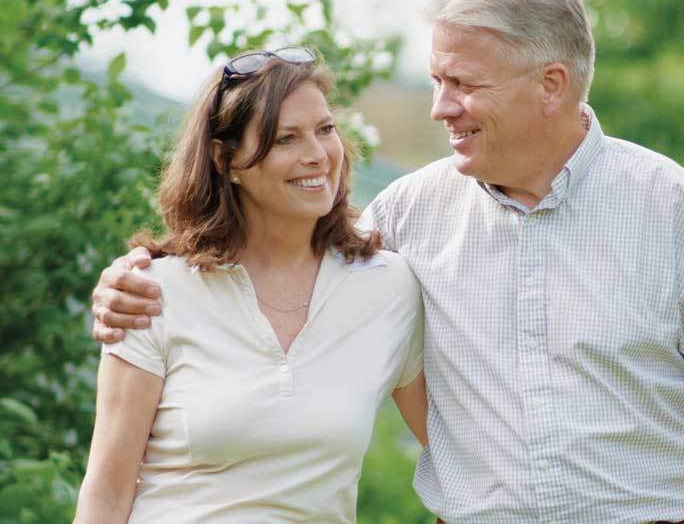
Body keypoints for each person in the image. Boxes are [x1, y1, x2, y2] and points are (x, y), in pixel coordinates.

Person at [90, 0, 684, 524]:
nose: (439, 106)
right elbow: (280, 250)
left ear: (551, 85)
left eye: (463, 83)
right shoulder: (406, 218)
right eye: (435, 80)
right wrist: (130, 278)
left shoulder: (671, 208)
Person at [74, 49, 427, 524]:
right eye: (287, 138)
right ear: (228, 160)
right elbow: (105, 497)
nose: (318, 155)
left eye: (325, 129)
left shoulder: (388, 288)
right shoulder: (151, 294)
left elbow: (455, 449)